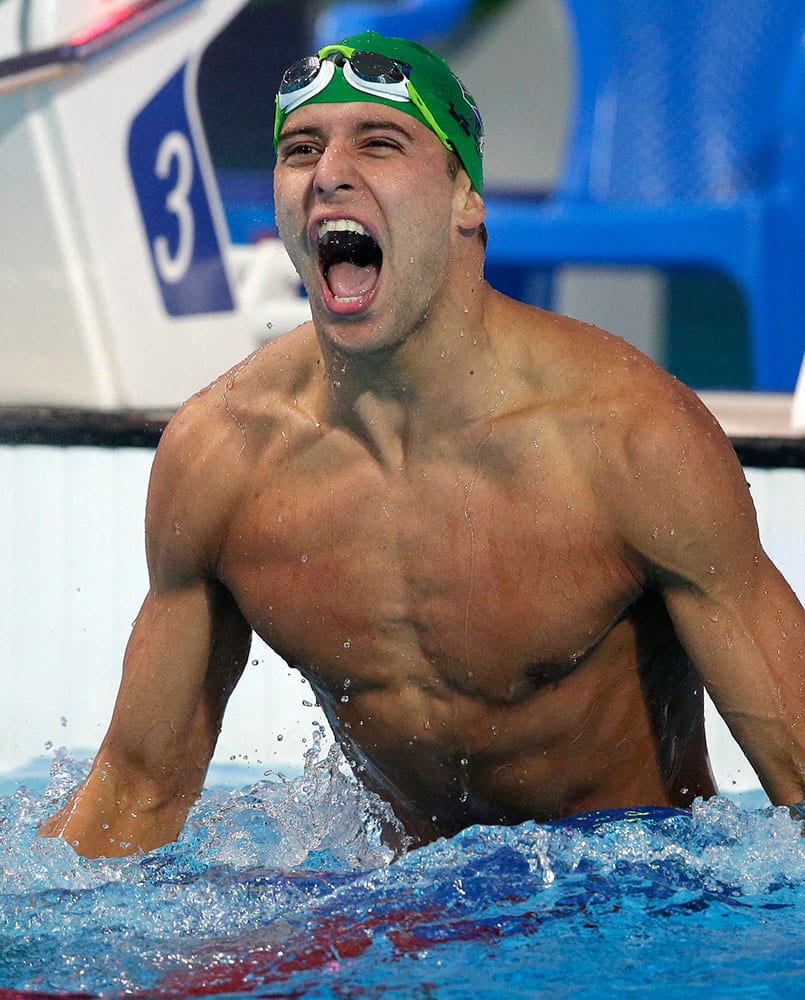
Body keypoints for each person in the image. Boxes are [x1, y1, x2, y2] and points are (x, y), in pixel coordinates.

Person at [40, 32, 804, 858]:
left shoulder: (627, 441)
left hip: (628, 900)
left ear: (463, 197)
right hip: (409, 916)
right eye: (301, 148)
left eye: (380, 142)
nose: (329, 171)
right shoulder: (223, 455)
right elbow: (136, 793)